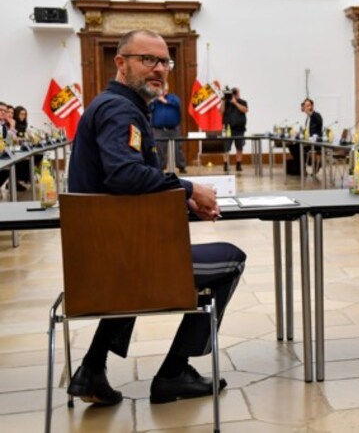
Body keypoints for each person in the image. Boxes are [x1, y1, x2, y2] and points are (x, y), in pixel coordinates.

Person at [66, 29, 247, 406]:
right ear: (121, 62)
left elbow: (123, 191)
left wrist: (182, 202)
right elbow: (125, 175)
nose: (159, 69)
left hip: (105, 259)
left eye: (164, 62)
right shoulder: (120, 110)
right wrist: (189, 188)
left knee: (140, 268)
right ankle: (173, 373)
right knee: (231, 260)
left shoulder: (116, 105)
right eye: (147, 60)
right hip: (123, 265)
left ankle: (92, 369)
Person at [149, 82, 187, 173]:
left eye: (165, 90)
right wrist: (154, 101)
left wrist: (165, 101)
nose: (163, 92)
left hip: (173, 128)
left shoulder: (173, 97)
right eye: (162, 90)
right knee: (159, 150)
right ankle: (160, 168)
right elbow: (149, 109)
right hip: (159, 129)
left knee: (177, 149)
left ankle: (181, 166)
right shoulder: (154, 100)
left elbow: (177, 104)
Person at [221, 86, 249, 172]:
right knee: (226, 147)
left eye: (236, 93)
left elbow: (245, 110)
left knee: (239, 147)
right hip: (228, 129)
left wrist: (235, 103)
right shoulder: (226, 103)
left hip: (239, 129)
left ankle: (238, 164)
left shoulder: (242, 102)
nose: (236, 94)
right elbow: (221, 112)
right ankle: (225, 164)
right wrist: (223, 101)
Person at [302, 98, 323, 173]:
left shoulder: (316, 115)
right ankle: (301, 168)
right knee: (294, 147)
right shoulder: (308, 118)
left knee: (300, 149)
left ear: (312, 106)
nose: (306, 107)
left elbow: (318, 122)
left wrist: (309, 113)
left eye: (308, 105)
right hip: (308, 141)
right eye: (305, 106)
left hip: (316, 142)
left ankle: (317, 163)